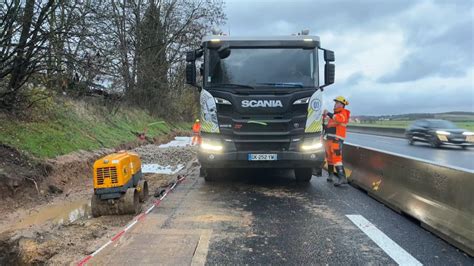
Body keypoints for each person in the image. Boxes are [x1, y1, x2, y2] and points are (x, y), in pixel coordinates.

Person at [323, 96, 351, 187]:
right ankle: (331, 175)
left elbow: (339, 119)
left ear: (342, 105)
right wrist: (324, 117)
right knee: (330, 159)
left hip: (336, 140)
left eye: (337, 103)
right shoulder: (334, 115)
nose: (334, 104)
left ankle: (342, 178)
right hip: (329, 140)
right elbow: (327, 126)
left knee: (337, 159)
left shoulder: (343, 113)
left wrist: (328, 113)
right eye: (335, 103)